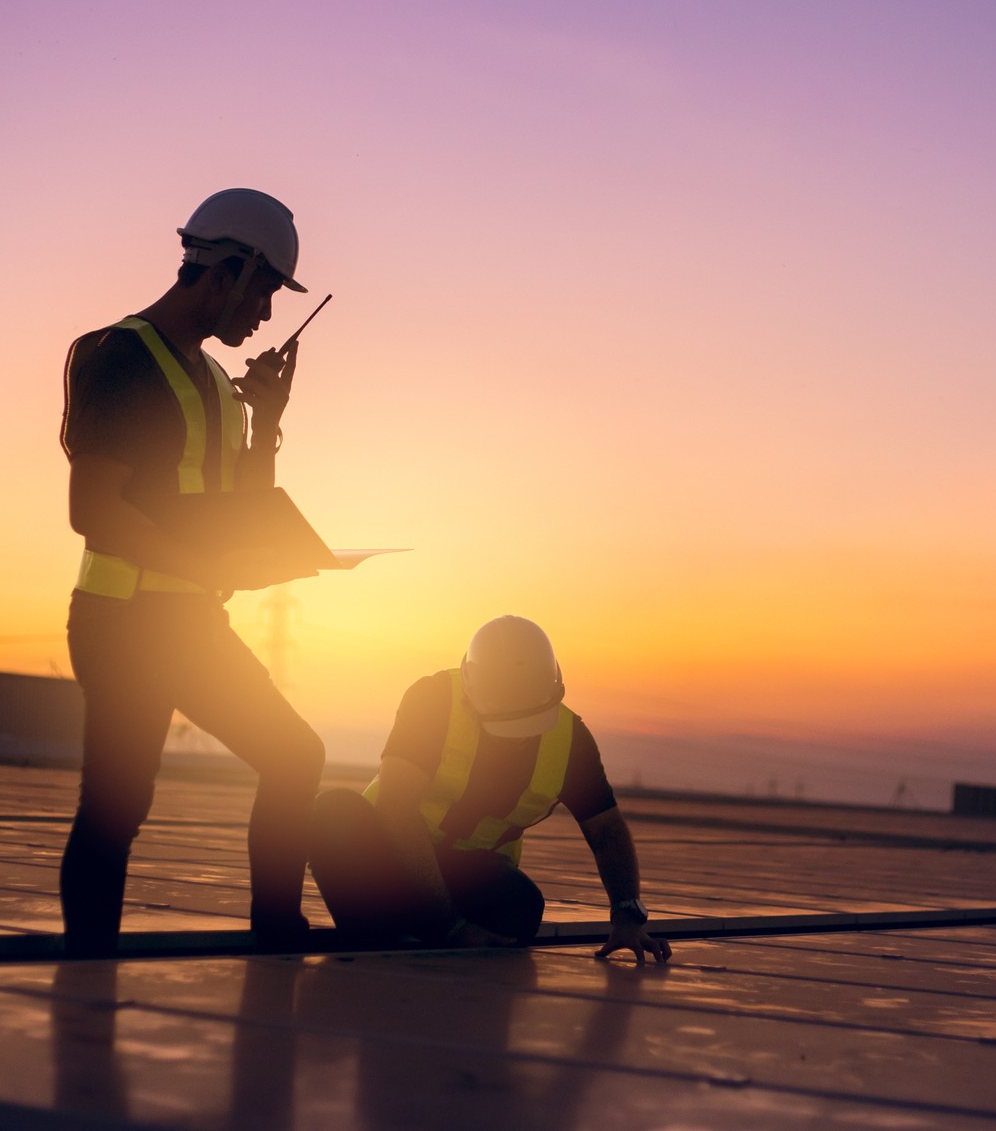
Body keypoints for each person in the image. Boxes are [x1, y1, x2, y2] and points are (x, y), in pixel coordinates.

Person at [58, 187, 327, 956]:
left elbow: (239, 507)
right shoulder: (115, 356)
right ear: (229, 272)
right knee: (118, 804)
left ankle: (276, 933)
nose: (267, 315)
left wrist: (267, 421)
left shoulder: (217, 385)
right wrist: (206, 567)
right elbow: (94, 512)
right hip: (124, 623)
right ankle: (89, 968)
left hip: (191, 621)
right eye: (266, 290)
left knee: (294, 756)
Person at [310, 616, 672, 962]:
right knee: (334, 812)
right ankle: (378, 931)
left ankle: (401, 921)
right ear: (471, 695)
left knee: (521, 908)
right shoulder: (434, 700)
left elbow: (605, 830)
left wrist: (627, 916)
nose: (519, 739)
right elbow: (396, 808)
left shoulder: (570, 740)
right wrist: (450, 928)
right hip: (388, 851)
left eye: (531, 723)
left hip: (469, 868)